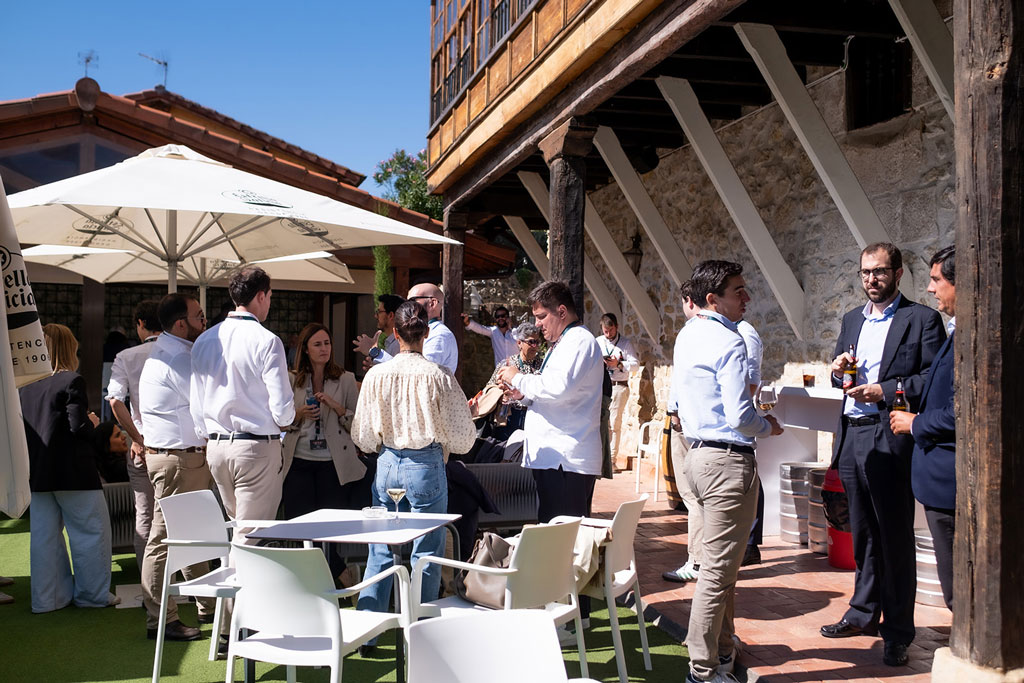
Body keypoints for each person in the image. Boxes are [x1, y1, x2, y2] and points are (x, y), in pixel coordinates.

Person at [820, 242, 945, 668]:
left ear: (897, 273)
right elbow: (841, 372)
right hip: (852, 434)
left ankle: (897, 632)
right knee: (862, 532)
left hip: (890, 433)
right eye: (865, 273)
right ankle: (861, 613)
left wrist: (886, 390)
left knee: (893, 536)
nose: (871, 279)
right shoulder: (852, 318)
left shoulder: (922, 319)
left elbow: (930, 379)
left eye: (879, 272)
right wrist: (838, 370)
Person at [675, 260, 783, 683]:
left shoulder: (688, 335)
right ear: (711, 299)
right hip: (726, 461)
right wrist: (767, 427)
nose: (747, 298)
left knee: (720, 565)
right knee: (718, 572)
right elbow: (740, 415)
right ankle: (701, 670)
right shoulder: (730, 340)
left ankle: (721, 650)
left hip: (697, 456)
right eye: (738, 291)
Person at [351, 301, 475, 640]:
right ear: (426, 332)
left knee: (380, 548)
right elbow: (464, 438)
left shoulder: (377, 374)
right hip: (425, 463)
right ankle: (417, 631)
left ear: (395, 332)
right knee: (427, 551)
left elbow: (361, 435)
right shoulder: (438, 376)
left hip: (388, 461)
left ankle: (368, 630)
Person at [190, 266, 295, 544]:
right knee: (251, 536)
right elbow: (283, 407)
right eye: (270, 296)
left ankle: (234, 582)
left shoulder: (203, 339)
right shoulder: (267, 340)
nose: (270, 303)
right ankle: (236, 586)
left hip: (217, 446)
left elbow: (196, 401)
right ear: (261, 296)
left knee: (240, 529)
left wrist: (208, 434)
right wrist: (286, 422)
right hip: (256, 446)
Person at [19, 323, 115, 613]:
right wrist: (94, 424)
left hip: (39, 473)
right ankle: (92, 596)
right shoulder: (71, 381)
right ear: (69, 349)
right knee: (90, 533)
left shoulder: (25, 387)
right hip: (75, 473)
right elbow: (77, 426)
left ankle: (47, 599)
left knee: (44, 538)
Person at [139, 293, 213, 643]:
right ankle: (161, 619)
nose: (205, 321)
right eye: (200, 316)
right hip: (177, 458)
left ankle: (205, 603)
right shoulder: (178, 358)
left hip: (179, 456)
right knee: (164, 539)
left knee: (192, 532)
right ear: (182, 323)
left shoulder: (171, 352)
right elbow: (207, 403)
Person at [890, 245, 956, 610]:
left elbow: (964, 413)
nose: (930, 289)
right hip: (938, 482)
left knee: (959, 589)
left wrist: (916, 423)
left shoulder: (968, 337)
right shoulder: (955, 331)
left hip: (952, 483)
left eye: (936, 280)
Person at [282, 322, 364, 579]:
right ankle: (336, 575)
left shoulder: (346, 379)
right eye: (317, 344)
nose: (324, 348)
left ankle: (332, 579)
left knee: (329, 529)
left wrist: (337, 407)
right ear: (305, 349)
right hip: (298, 461)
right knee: (299, 526)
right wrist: (298, 415)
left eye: (327, 343)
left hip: (333, 464)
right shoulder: (291, 379)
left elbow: (358, 425)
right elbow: (280, 421)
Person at [107, 299, 161, 574]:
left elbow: (115, 401)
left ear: (140, 324)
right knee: (181, 515)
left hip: (142, 448)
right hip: (181, 448)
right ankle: (182, 581)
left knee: (145, 516)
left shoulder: (126, 356)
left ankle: (148, 583)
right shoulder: (185, 352)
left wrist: (137, 438)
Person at [663, 279, 703, 584]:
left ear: (689, 300)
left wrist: (676, 416)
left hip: (689, 426)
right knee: (695, 498)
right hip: (688, 423)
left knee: (693, 497)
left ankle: (697, 561)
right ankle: (699, 560)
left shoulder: (693, 332)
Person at [353, 283, 457, 374]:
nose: (407, 306)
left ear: (432, 303)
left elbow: (419, 372)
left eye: (413, 300)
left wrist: (374, 352)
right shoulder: (424, 331)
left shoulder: (440, 335)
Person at [736, 318, 765, 567]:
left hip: (741, 417)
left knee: (751, 478)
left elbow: (752, 382)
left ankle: (750, 544)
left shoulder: (746, 333)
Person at [483, 321, 544, 441]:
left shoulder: (543, 366)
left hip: (534, 415)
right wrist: (501, 394)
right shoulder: (506, 364)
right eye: (531, 342)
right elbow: (489, 388)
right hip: (509, 417)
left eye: (537, 342)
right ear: (519, 343)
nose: (535, 346)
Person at [597, 312, 639, 469]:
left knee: (614, 423)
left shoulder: (626, 344)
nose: (608, 334)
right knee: (602, 422)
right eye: (605, 331)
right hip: (601, 387)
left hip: (618, 386)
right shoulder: (598, 342)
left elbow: (635, 364)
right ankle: (601, 458)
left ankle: (612, 460)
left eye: (611, 330)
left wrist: (619, 364)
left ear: (617, 327)